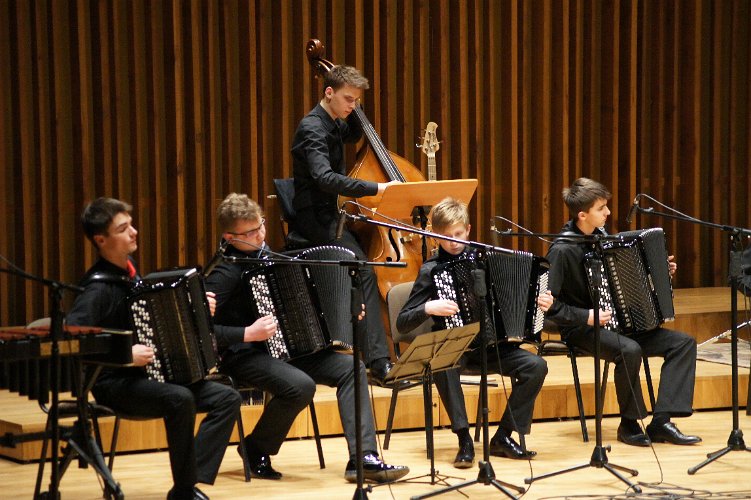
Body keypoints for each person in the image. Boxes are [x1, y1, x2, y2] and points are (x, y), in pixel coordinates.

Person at [204, 193, 409, 484]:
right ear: (229, 237)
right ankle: (255, 448)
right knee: (300, 386)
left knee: (351, 369)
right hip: (243, 355)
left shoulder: (271, 258)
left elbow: (306, 304)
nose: (260, 235)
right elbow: (200, 332)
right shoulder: (223, 273)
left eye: (261, 225)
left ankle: (363, 458)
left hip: (288, 350)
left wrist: (344, 311)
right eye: (250, 233)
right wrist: (246, 333)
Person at [66, 197, 241, 500]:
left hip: (148, 376)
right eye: (123, 228)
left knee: (227, 397)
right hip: (113, 383)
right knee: (180, 399)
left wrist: (198, 309)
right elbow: (73, 340)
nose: (134, 231)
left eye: (131, 225)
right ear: (101, 240)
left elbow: (156, 319)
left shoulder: (130, 274)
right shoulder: (97, 290)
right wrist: (124, 355)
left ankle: (190, 479)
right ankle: (185, 489)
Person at [397, 197, 553, 467]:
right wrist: (429, 307)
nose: (453, 242)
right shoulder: (432, 270)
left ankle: (503, 436)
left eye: (458, 234)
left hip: (494, 347)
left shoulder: (486, 260)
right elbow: (403, 322)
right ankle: (464, 439)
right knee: (443, 363)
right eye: (446, 237)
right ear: (435, 236)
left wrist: (542, 302)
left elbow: (523, 297)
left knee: (536, 366)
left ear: (468, 230)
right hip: (457, 349)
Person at [545, 177, 701, 447]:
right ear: (582, 215)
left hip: (621, 324)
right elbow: (547, 308)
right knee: (629, 350)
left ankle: (661, 421)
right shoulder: (562, 250)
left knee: (683, 343)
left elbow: (627, 283)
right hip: (581, 329)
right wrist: (586, 316)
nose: (608, 212)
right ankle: (629, 424)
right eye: (601, 208)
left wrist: (658, 272)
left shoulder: (605, 239)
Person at [290, 64, 399, 386]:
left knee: (364, 260)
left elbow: (355, 132)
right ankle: (379, 361)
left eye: (357, 100)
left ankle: (376, 352)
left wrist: (357, 112)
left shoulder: (336, 122)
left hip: (333, 216)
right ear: (328, 93)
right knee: (362, 268)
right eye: (348, 99)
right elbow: (324, 178)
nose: (353, 105)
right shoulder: (312, 128)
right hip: (314, 220)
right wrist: (377, 188)